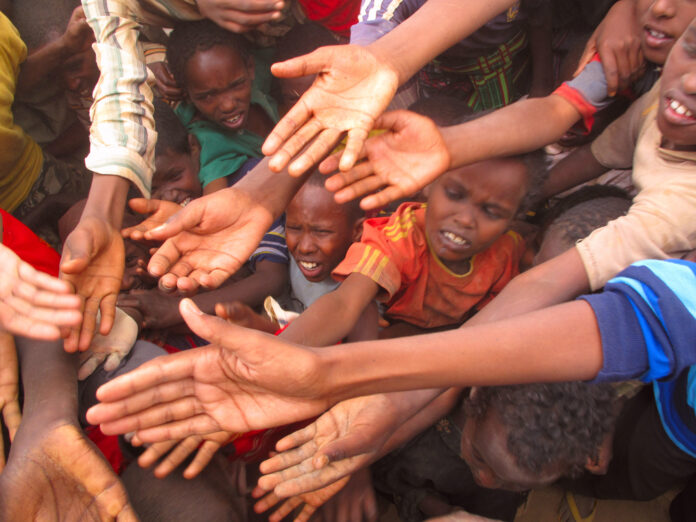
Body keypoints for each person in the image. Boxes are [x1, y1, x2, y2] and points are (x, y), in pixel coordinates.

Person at [280, 151, 542, 345]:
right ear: (428, 184)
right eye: (454, 194)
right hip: (389, 334)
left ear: (512, 220)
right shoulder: (399, 237)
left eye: (491, 211)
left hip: (443, 346)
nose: (464, 219)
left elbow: (485, 332)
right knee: (364, 312)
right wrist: (277, 352)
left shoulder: (507, 254)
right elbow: (343, 304)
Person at [166, 20, 279, 194]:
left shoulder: (271, 69)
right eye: (208, 96)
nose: (228, 105)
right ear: (187, 95)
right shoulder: (209, 139)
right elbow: (215, 192)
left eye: (236, 85)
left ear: (250, 68)